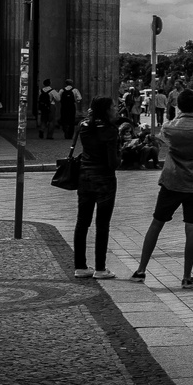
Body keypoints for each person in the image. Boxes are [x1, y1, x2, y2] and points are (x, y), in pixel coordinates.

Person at [130, 89, 193, 287]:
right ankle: (186, 277)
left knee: (156, 223)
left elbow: (163, 136)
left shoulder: (169, 127)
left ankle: (141, 270)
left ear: (178, 105)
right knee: (191, 228)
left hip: (172, 181)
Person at [72, 96, 122, 279]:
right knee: (102, 224)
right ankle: (100, 268)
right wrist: (120, 154)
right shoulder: (110, 131)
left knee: (82, 222)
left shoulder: (84, 127)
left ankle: (80, 266)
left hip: (85, 178)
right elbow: (112, 162)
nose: (116, 109)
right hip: (105, 181)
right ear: (106, 110)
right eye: (113, 106)